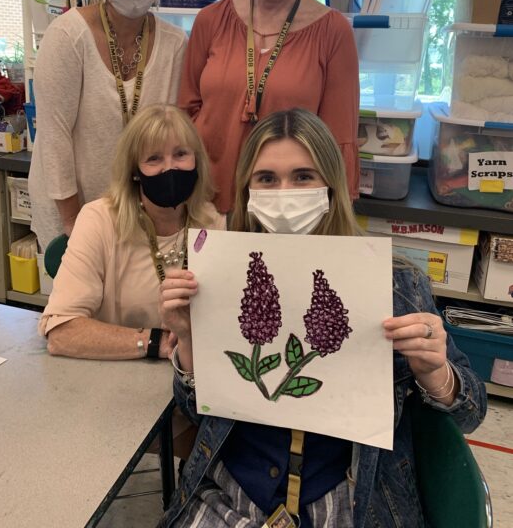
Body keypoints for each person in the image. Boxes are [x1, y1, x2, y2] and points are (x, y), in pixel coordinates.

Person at [158, 108, 486, 528]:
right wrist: (187, 340)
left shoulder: (393, 282)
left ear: (330, 185)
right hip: (232, 494)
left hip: (349, 501)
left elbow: (469, 414)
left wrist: (436, 372)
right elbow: (199, 408)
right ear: (246, 190)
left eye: (302, 176)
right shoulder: (221, 274)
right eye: (267, 179)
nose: (284, 193)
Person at [178, 0, 360, 214]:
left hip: (287, 211)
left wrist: (334, 220)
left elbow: (338, 141)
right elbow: (186, 115)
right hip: (207, 203)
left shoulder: (333, 32)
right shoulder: (210, 21)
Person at [29, 0, 188, 251]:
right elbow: (53, 138)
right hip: (74, 207)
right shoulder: (68, 36)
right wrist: (74, 223)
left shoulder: (175, 44)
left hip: (145, 212)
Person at [38, 104, 225, 361]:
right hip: (110, 376)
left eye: (181, 154)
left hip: (187, 374)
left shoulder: (213, 223)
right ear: (134, 171)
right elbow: (61, 332)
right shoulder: (99, 220)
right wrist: (155, 342)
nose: (169, 168)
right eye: (153, 158)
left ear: (197, 162)